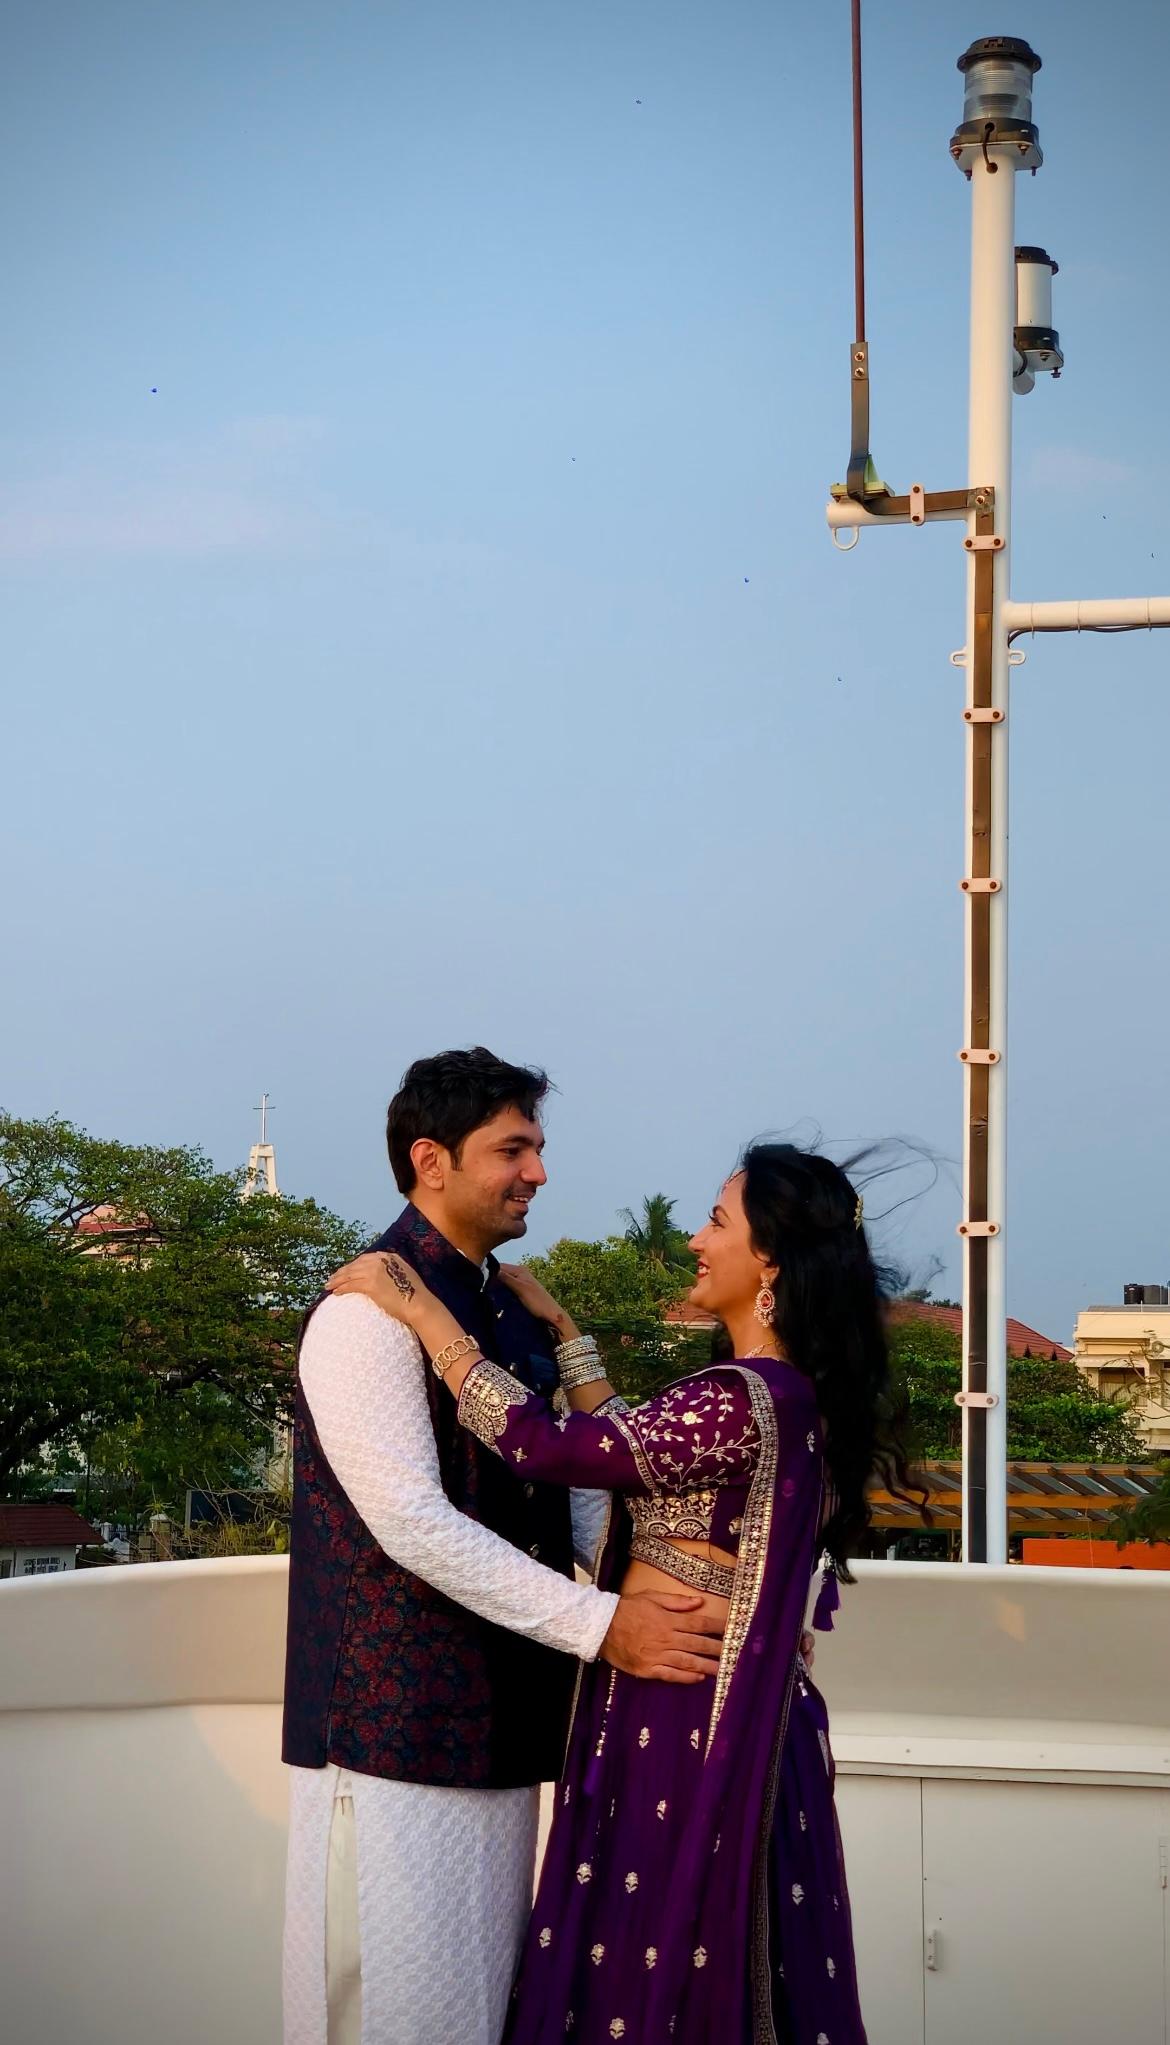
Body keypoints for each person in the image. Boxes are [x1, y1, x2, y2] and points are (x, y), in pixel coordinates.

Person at [326, 1139, 919, 2045]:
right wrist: (565, 1332)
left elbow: (547, 1449)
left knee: (655, 1957)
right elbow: (636, 1453)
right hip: (698, 1699)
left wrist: (425, 1314)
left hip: (683, 1715)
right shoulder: (786, 1395)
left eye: (717, 1220)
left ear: (769, 1259)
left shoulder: (742, 1395)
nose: (694, 1238)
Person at [281, 1049, 728, 2045]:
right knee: (392, 2015)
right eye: (512, 1148)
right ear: (430, 1159)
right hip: (388, 1734)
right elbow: (411, 1522)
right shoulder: (365, 1311)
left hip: (502, 1725)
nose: (537, 1171)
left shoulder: (505, 1315)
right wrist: (606, 1624)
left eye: (537, 1146)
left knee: (485, 2017)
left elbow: (568, 1495)